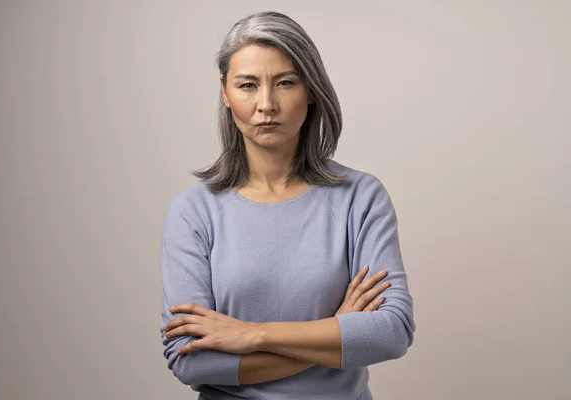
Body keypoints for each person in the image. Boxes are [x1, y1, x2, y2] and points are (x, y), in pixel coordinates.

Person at [158, 10, 415, 400]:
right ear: (225, 93)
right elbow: (192, 361)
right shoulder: (193, 211)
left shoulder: (361, 198)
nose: (266, 104)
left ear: (310, 89)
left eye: (285, 83)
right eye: (247, 85)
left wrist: (251, 336)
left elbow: (391, 332)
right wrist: (336, 331)